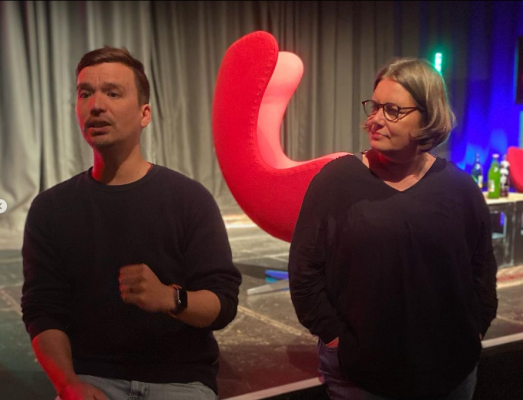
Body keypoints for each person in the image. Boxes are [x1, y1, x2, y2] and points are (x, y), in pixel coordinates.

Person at [21, 46, 241, 400]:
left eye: (112, 93)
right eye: (85, 93)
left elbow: (223, 304)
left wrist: (170, 298)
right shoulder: (51, 209)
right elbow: (42, 311)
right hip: (91, 380)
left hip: (180, 382)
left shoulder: (190, 200)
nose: (96, 105)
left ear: (144, 113)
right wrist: (67, 383)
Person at [288, 58, 498, 400]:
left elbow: (482, 272)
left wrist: (475, 330)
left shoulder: (460, 189)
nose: (375, 119)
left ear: (428, 116)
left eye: (392, 110)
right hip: (361, 378)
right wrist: (335, 338)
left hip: (451, 375)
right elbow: (304, 271)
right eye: (374, 106)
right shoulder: (336, 181)